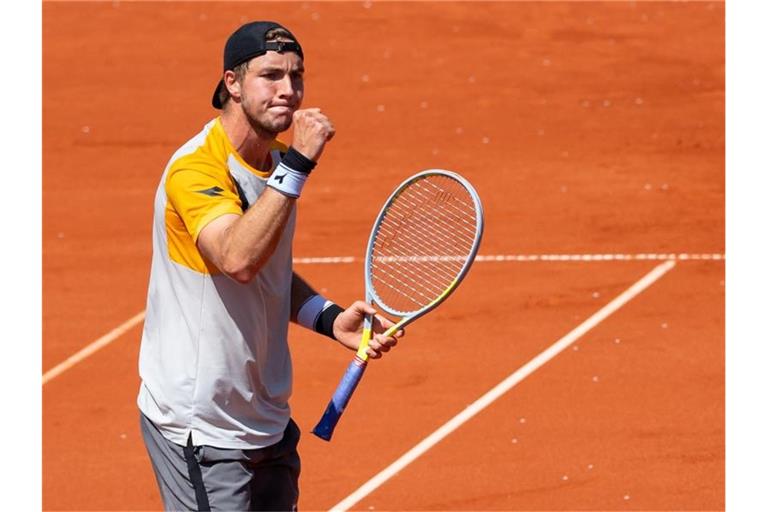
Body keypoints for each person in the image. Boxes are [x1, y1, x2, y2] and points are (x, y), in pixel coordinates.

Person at [136, 20, 402, 512]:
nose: (289, 91)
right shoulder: (197, 169)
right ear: (232, 83)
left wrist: (326, 316)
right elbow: (237, 258)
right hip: (202, 424)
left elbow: (267, 267)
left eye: (297, 76)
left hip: (265, 418)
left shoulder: (275, 163)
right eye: (271, 75)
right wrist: (298, 165)